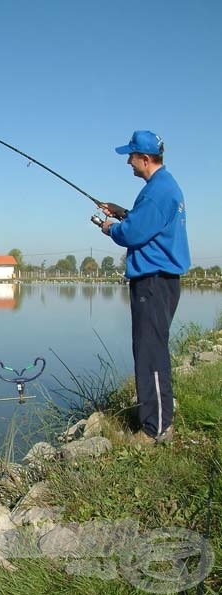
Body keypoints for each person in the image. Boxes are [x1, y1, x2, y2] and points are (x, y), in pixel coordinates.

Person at [100, 130, 191, 445]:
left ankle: (156, 429)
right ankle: (160, 417)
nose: (128, 161)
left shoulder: (157, 191)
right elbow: (147, 224)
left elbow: (134, 234)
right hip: (159, 281)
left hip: (152, 281)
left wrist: (113, 228)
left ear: (146, 159)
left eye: (131, 156)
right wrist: (122, 212)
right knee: (153, 349)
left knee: (149, 352)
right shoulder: (165, 187)